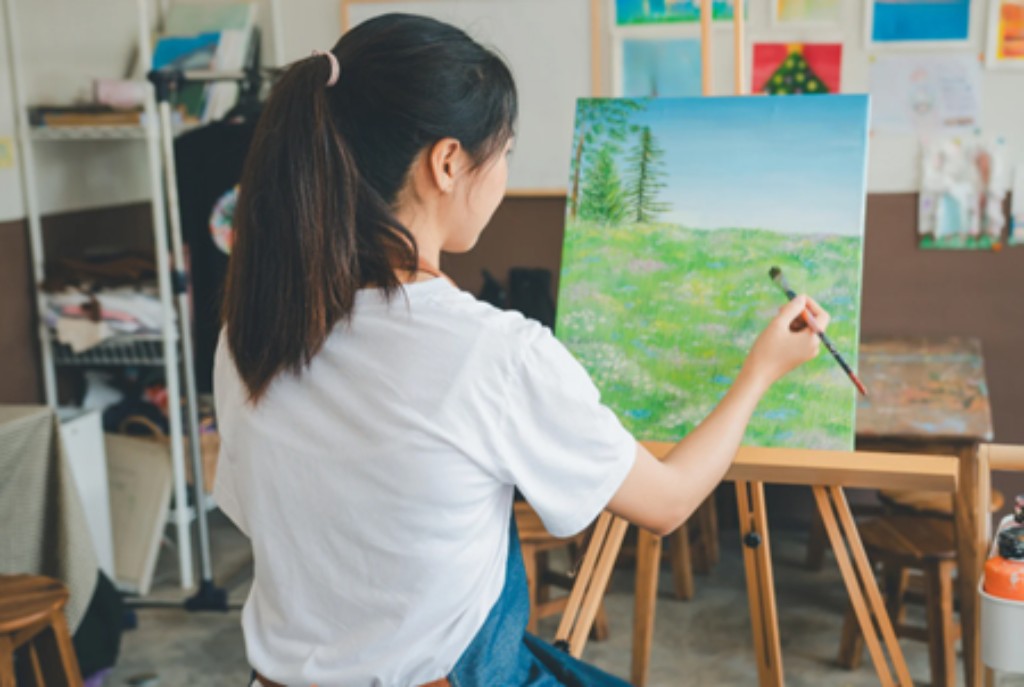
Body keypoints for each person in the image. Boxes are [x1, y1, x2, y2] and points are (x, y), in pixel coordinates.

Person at [214, 13, 830, 687]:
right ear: (447, 163)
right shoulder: (492, 354)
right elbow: (669, 502)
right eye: (504, 152)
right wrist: (761, 370)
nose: (505, 172)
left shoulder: (253, 333)